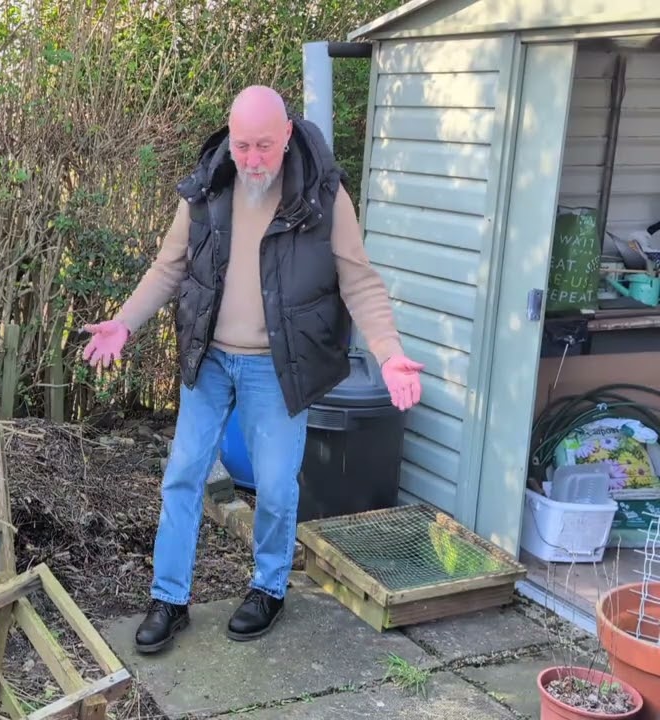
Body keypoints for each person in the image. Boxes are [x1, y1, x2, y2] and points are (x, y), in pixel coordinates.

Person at [80, 86, 424, 653]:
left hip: (277, 365)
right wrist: (124, 323)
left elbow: (358, 280)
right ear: (230, 138)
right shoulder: (206, 188)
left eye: (264, 145)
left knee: (276, 484)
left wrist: (388, 352)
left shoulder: (323, 195)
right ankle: (169, 599)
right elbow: (169, 268)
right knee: (183, 474)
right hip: (209, 358)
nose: (253, 159)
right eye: (243, 146)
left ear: (287, 134)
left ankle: (267, 589)